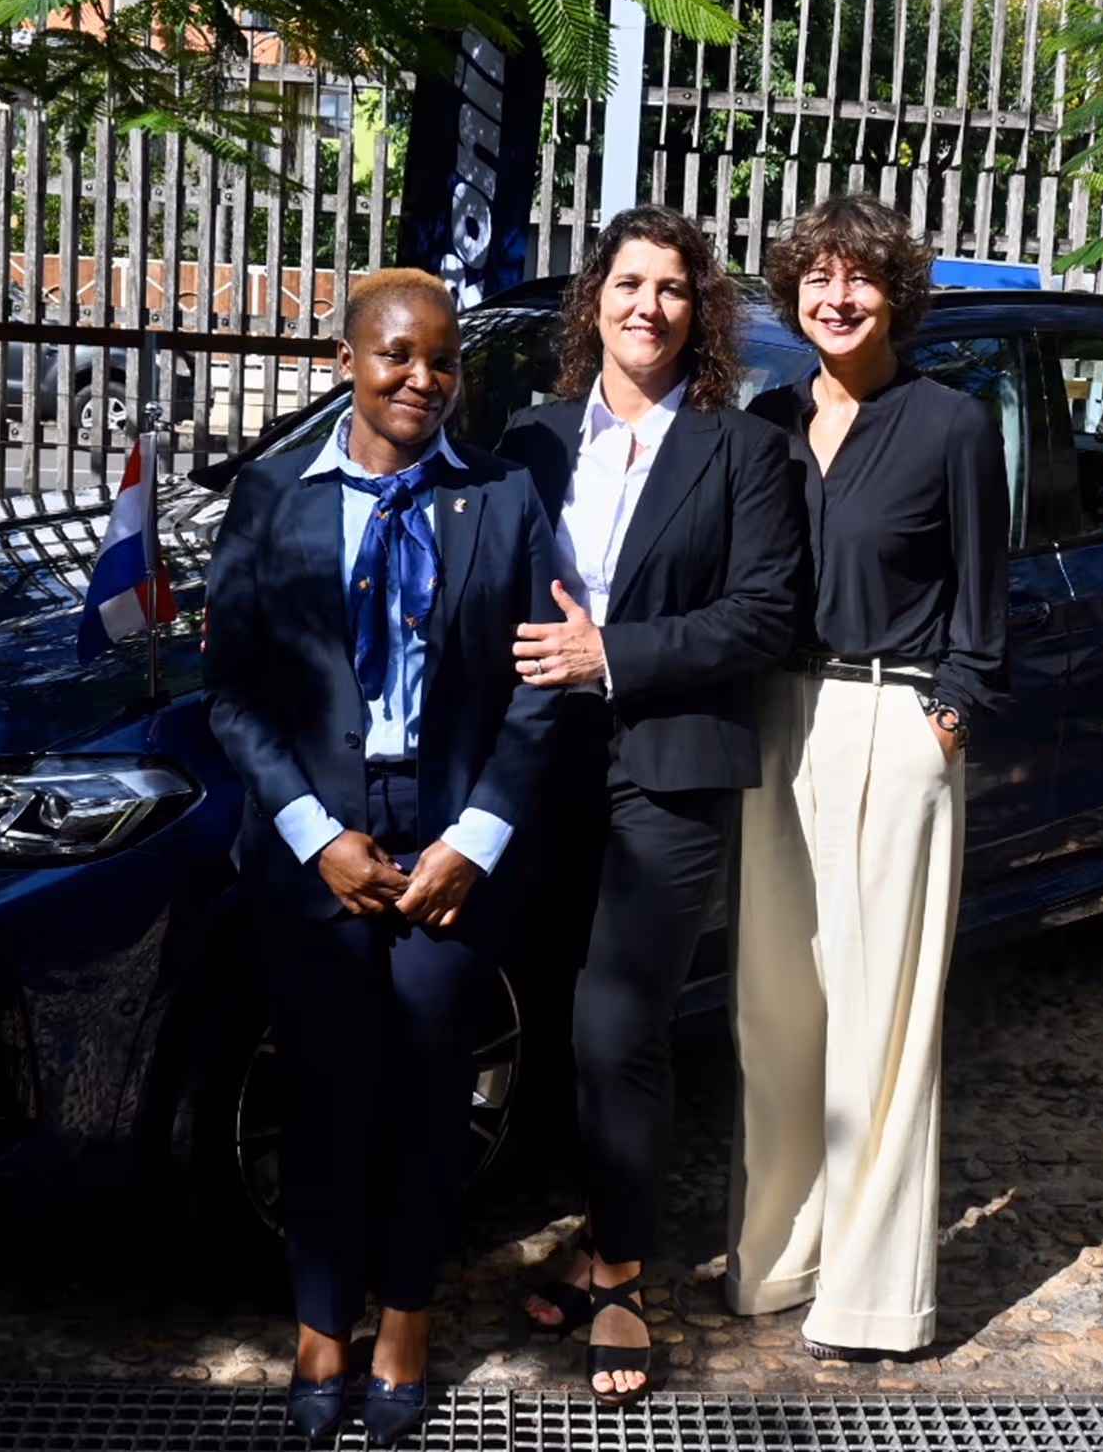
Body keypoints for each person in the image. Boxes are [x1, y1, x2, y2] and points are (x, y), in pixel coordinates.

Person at [202, 268, 564, 1447]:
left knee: (430, 1099)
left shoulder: (502, 496)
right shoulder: (273, 496)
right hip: (319, 837)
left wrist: (477, 837)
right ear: (346, 362)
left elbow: (539, 686)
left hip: (452, 839)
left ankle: (404, 1324)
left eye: (442, 360)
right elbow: (234, 692)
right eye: (396, 355)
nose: (422, 378)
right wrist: (315, 835)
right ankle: (321, 1331)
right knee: (324, 1097)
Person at [497, 206, 804, 1405]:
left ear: (701, 311)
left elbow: (764, 613)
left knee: (619, 1027)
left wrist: (609, 653)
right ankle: (584, 1231)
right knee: (547, 1015)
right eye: (629, 283)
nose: (649, 306)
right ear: (594, 300)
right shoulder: (530, 439)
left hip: (671, 761)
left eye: (674, 288)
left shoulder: (740, 450)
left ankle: (622, 1270)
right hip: (541, 764)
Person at [724, 193, 1009, 1361]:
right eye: (817, 277)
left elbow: (984, 605)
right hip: (777, 719)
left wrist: (945, 717)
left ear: (895, 294)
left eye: (860, 278)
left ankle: (872, 1293)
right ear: (792, 290)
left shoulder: (951, 424)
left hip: (895, 718)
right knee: (775, 1007)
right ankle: (780, 1252)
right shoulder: (770, 419)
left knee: (881, 1017)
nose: (836, 297)